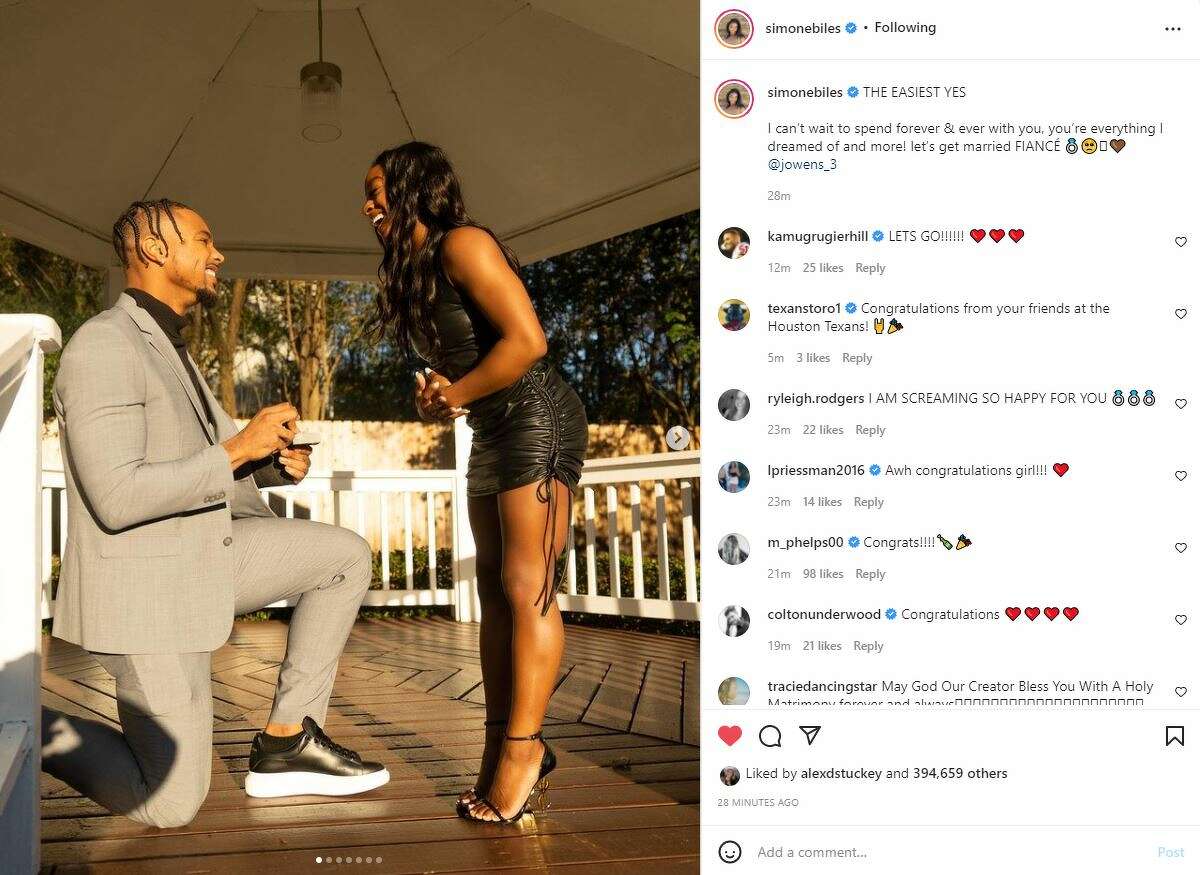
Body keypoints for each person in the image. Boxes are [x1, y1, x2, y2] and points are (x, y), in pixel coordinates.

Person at [41, 199, 388, 829]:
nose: (218, 255)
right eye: (204, 240)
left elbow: (217, 458)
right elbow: (116, 495)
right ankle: (29, 725)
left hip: (201, 559)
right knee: (170, 804)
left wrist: (267, 461)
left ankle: (288, 740)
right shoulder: (103, 345)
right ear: (153, 248)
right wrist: (237, 449)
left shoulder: (168, 349)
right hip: (147, 591)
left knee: (342, 556)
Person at [363, 142, 587, 824]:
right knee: (494, 591)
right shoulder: (418, 269)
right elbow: (475, 363)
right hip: (492, 429)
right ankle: (500, 747)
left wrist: (455, 389)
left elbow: (528, 341)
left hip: (538, 423)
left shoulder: (463, 243)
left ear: (412, 188)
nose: (368, 206)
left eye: (377, 191)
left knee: (527, 586)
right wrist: (443, 395)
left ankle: (524, 751)